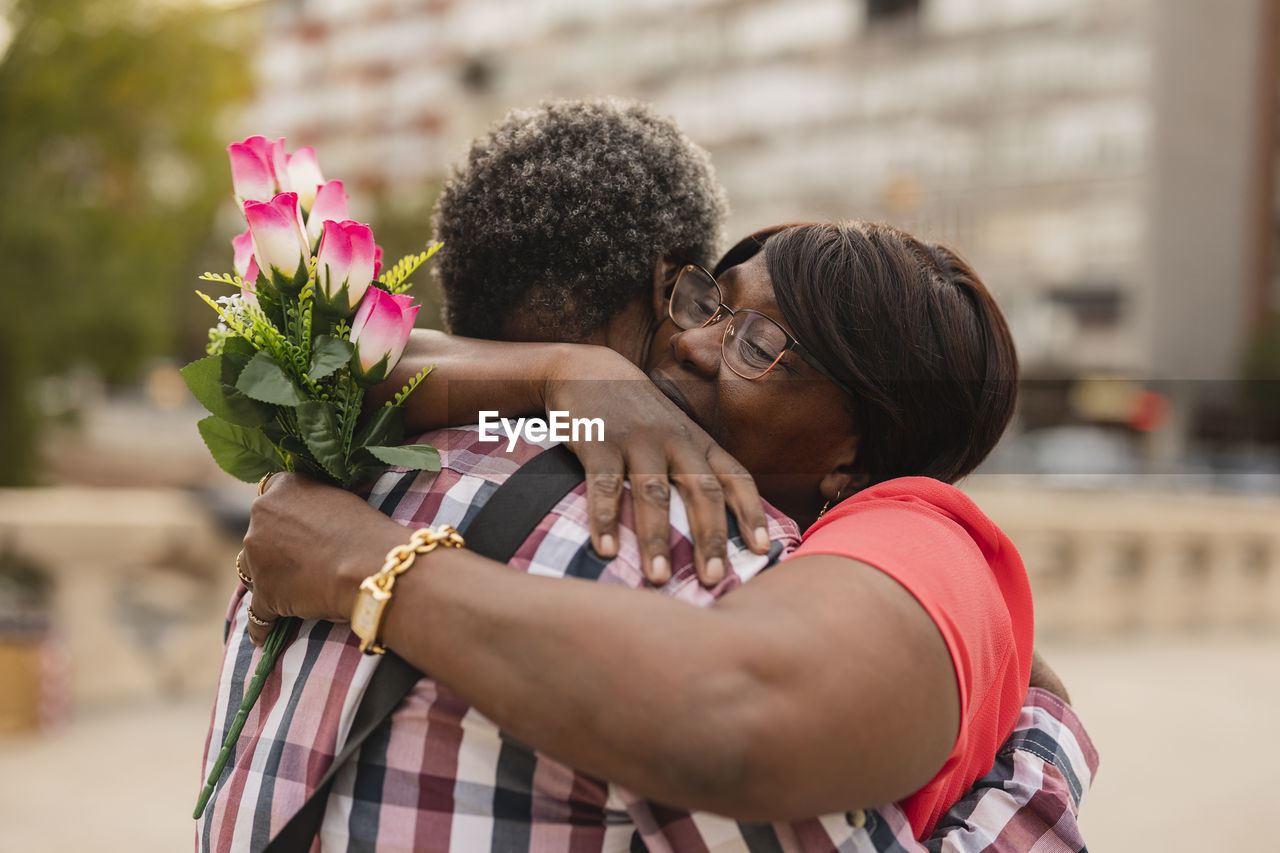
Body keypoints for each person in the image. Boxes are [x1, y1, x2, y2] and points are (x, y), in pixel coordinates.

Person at [204, 99, 1097, 851]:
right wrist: (1043, 732)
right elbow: (747, 736)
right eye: (711, 300)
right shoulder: (687, 559)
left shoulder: (328, 479)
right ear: (669, 279)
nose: (699, 340)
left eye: (763, 348)